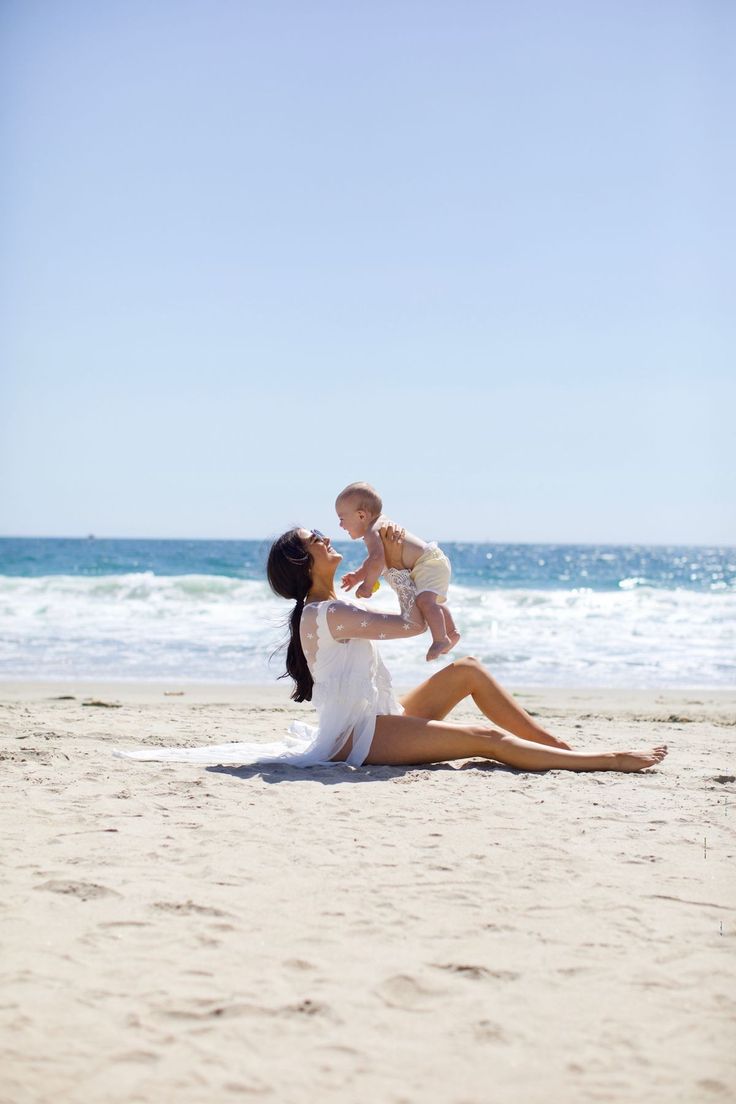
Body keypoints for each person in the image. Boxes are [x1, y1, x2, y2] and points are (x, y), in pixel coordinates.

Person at [114, 525, 667, 773]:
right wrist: (404, 563)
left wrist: (394, 562)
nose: (329, 542)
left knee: (466, 671)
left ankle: (559, 748)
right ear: (305, 565)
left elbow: (410, 623)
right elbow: (410, 627)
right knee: (488, 740)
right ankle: (607, 761)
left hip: (379, 718)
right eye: (318, 543)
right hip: (360, 736)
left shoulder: (325, 608)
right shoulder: (328, 612)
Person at [336, 481, 460, 661]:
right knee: (428, 602)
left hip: (428, 563)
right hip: (427, 563)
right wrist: (357, 576)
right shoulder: (379, 524)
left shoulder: (372, 532)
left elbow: (377, 561)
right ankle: (451, 632)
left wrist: (367, 586)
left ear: (361, 515)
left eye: (342, 519)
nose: (341, 526)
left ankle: (441, 639)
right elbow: (374, 560)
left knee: (425, 601)